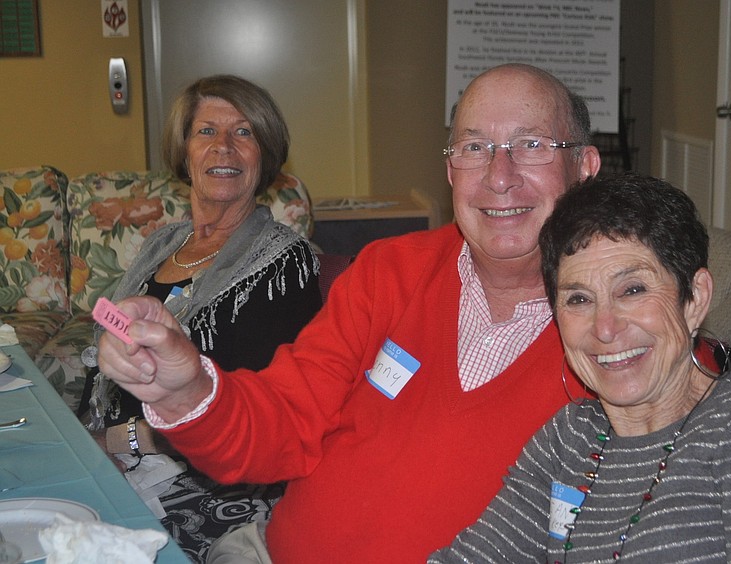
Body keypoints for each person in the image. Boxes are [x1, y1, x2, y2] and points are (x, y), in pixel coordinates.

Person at [95, 63, 602, 563]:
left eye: (531, 145)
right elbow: (282, 420)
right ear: (450, 170)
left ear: (584, 167)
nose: (499, 176)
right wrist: (187, 390)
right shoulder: (390, 272)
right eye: (474, 148)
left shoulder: (622, 328)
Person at [429, 173, 731, 563]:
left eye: (633, 290)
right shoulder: (568, 440)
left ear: (694, 298)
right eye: (578, 299)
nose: (605, 328)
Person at [80, 74, 323, 562]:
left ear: (265, 154)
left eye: (244, 132)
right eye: (206, 132)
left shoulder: (285, 263)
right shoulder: (161, 244)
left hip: (208, 484)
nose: (225, 148)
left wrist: (116, 439)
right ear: (185, 153)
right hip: (114, 454)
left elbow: (258, 406)